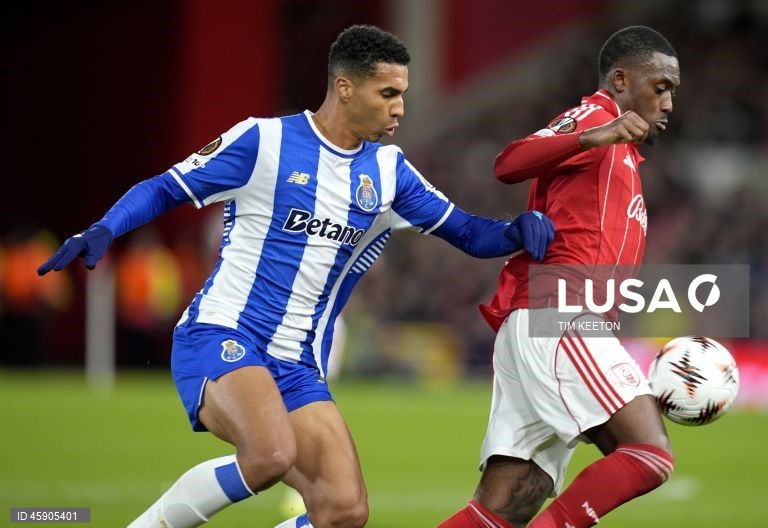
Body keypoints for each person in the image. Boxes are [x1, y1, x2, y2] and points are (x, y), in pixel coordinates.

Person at [37, 25, 554, 528]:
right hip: (223, 334)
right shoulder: (263, 140)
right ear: (345, 87)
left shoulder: (390, 172)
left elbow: (468, 233)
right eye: (388, 93)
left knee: (343, 510)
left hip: (297, 364)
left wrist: (516, 229)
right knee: (268, 454)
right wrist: (105, 228)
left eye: (403, 94)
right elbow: (165, 188)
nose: (399, 107)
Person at [438, 26, 680, 528]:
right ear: (620, 79)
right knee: (648, 453)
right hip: (560, 312)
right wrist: (598, 134)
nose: (669, 102)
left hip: (555, 320)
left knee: (503, 508)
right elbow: (508, 163)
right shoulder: (596, 116)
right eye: (661, 86)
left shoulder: (625, 155)